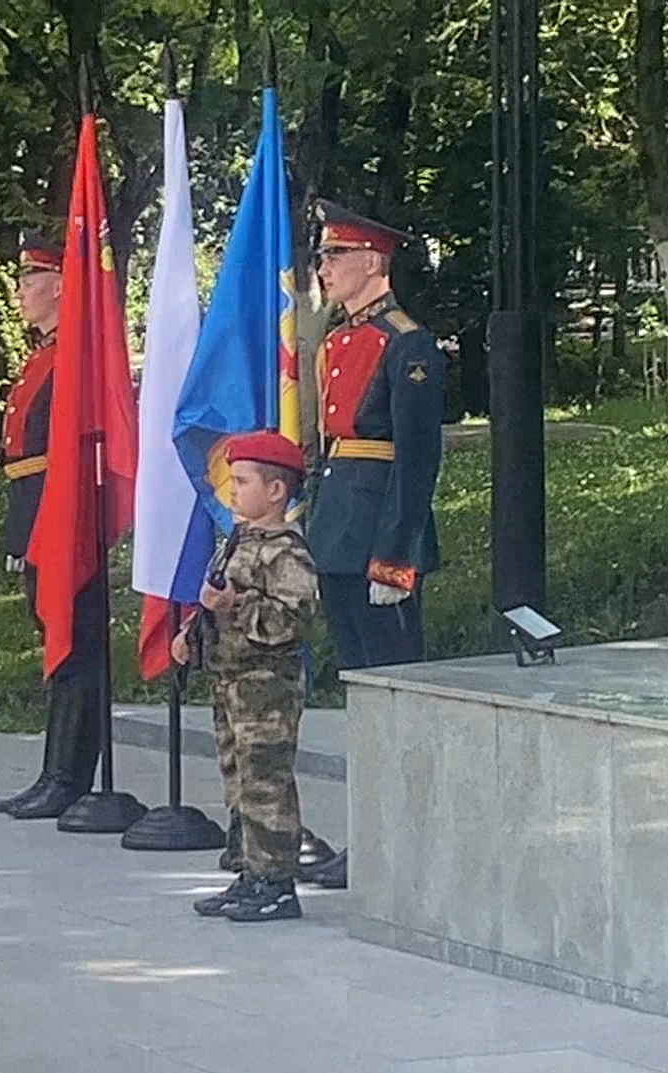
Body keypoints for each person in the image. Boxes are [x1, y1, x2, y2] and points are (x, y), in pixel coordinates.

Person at [299, 200, 448, 890]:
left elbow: (416, 462)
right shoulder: (339, 338)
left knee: (394, 693)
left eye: (334, 256)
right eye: (323, 256)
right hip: (339, 528)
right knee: (364, 693)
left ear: (372, 263)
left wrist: (399, 553)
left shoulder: (407, 343)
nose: (323, 268)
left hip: (379, 536)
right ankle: (373, 839)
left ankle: (406, 841)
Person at [173, 432, 320, 922]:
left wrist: (237, 606)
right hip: (231, 682)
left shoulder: (286, 553)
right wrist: (193, 632)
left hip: (267, 688)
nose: (232, 490)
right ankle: (249, 872)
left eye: (242, 481)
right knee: (238, 783)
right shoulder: (239, 541)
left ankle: (277, 882)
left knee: (266, 785)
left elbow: (291, 621)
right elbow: (217, 595)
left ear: (276, 491)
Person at [0, 230, 106, 820]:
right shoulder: (43, 357)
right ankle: (54, 771)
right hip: (38, 513)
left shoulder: (75, 359)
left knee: (76, 648)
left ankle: (72, 776)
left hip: (66, 521)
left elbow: (69, 456)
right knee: (56, 649)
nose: (19, 292)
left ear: (59, 286)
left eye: (29, 280)